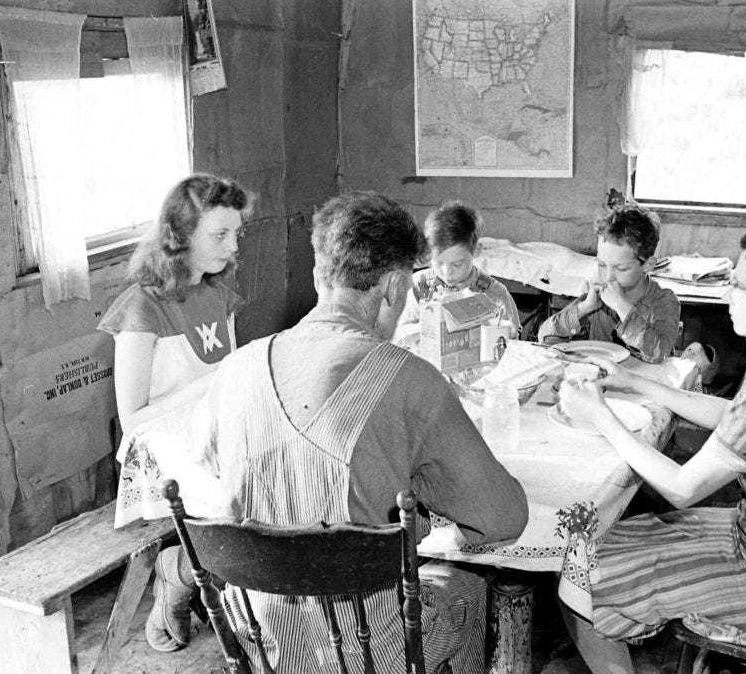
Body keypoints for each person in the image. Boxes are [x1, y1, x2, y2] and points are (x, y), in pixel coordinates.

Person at [187, 191, 529, 672]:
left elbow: (206, 461)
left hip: (266, 645)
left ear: (317, 274)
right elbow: (502, 519)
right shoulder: (411, 379)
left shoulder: (235, 369)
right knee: (468, 588)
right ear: (394, 286)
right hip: (371, 656)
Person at [557, 227, 746, 673]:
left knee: (582, 570)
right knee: (607, 535)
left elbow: (682, 488)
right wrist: (636, 383)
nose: (727, 292)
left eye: (739, 284)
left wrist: (599, 414)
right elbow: (736, 416)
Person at [97, 172, 252, 652]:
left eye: (236, 233)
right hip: (159, 445)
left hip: (210, 427)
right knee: (248, 496)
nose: (232, 246)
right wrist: (219, 379)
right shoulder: (140, 309)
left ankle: (224, 590)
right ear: (179, 236)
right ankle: (181, 572)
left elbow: (228, 385)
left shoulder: (219, 293)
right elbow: (134, 420)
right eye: (219, 235)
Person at [537, 205, 679, 363]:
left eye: (621, 268)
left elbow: (659, 353)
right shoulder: (598, 294)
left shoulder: (664, 300)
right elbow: (545, 335)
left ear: (648, 265)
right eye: (602, 265)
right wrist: (584, 308)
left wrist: (622, 307)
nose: (609, 277)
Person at [396, 200, 521, 336]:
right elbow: (401, 333)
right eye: (438, 263)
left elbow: (511, 343)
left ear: (476, 251)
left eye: (457, 264)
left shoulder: (496, 295)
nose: (447, 273)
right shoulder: (419, 286)